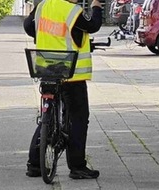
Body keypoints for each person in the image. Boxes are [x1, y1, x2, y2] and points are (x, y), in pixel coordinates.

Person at [23, 0, 103, 180]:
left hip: (46, 68)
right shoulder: (72, 11)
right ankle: (77, 167)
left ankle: (34, 164)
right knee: (78, 117)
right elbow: (93, 25)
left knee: (48, 117)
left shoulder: (43, 6)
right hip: (71, 74)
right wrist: (97, 7)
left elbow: (29, 26)